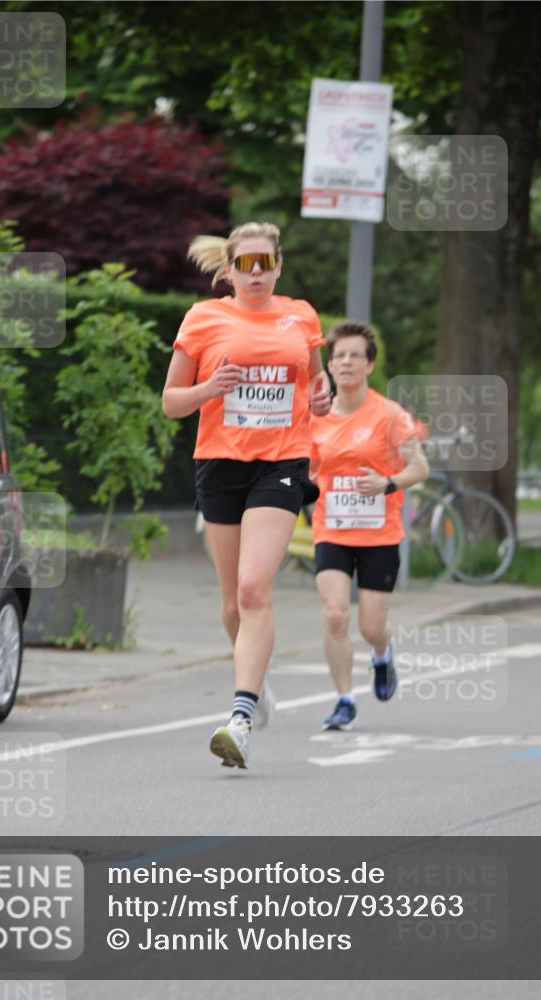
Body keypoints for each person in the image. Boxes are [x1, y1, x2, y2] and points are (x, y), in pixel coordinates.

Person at [162, 221, 331, 769]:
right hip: (219, 463)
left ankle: (239, 717)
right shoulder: (203, 318)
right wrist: (209, 388)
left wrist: (323, 397)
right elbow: (171, 401)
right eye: (245, 264)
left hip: (280, 463)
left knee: (255, 589)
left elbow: (317, 384)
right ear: (230, 270)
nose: (256, 273)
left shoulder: (301, 316)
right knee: (233, 605)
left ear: (278, 266)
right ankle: (257, 684)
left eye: (265, 263)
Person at [309, 320, 429, 730]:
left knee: (371, 626)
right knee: (335, 614)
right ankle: (344, 699)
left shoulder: (390, 415)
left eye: (355, 356)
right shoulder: (316, 416)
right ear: (329, 365)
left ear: (369, 365)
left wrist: (387, 483)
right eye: (339, 355)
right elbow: (309, 467)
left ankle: (382, 654)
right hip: (331, 529)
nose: (346, 362)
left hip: (379, 534)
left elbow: (420, 468)